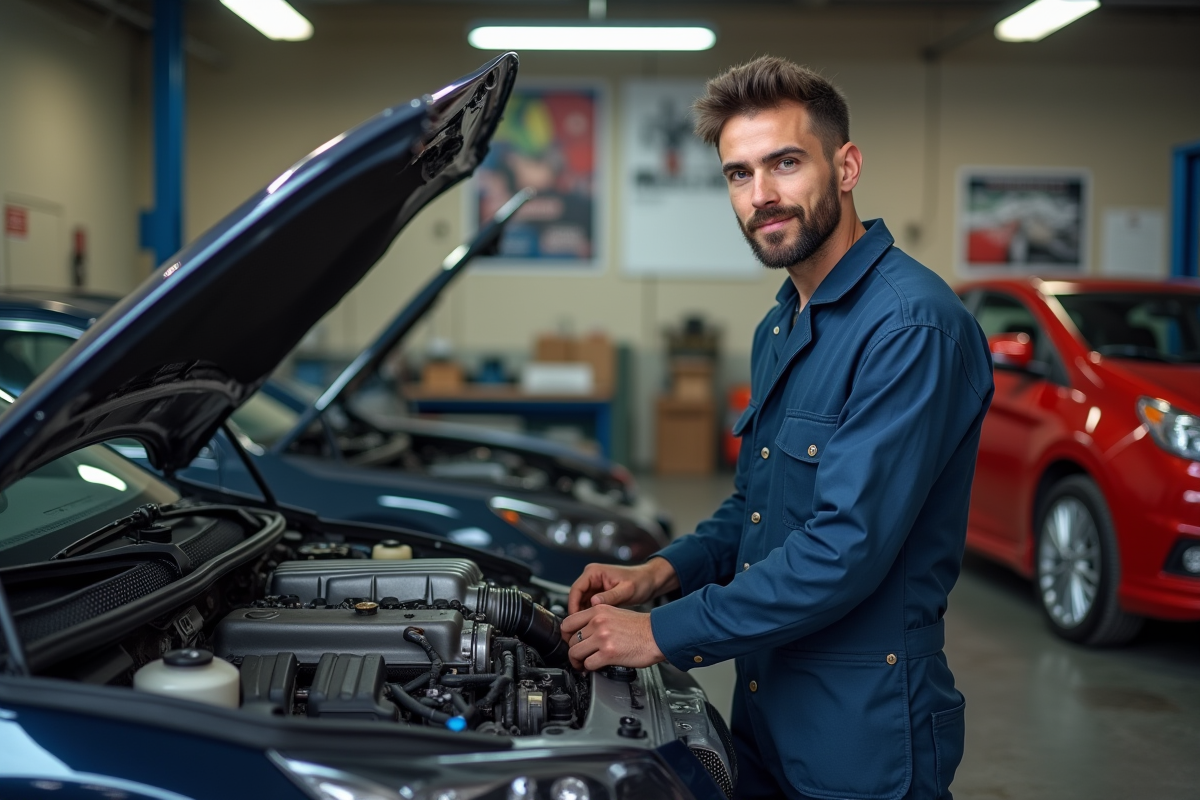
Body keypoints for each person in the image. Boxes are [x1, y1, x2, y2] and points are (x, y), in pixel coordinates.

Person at [560, 56, 994, 800]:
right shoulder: (783, 324)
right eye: (738, 173)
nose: (762, 196)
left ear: (846, 164)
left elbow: (843, 549)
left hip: (860, 732)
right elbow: (756, 510)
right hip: (766, 703)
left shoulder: (911, 327)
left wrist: (661, 633)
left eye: (785, 163)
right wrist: (661, 574)